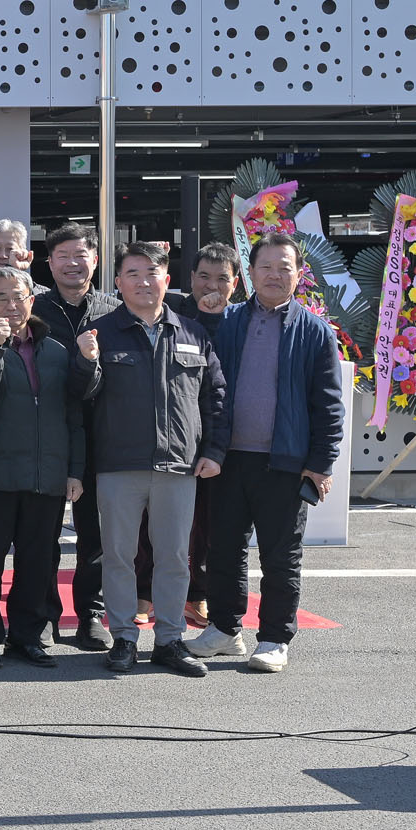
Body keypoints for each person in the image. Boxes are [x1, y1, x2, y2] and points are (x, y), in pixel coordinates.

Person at [187, 236, 345, 673]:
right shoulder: (229, 320)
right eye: (266, 267)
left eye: (284, 267)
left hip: (285, 462)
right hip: (226, 458)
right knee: (223, 550)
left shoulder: (314, 331)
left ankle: (275, 638)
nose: (275, 275)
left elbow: (329, 405)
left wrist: (320, 464)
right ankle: (224, 629)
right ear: (250, 273)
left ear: (299, 273)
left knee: (280, 556)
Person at [72, 241, 227, 677]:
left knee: (175, 557)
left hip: (180, 464)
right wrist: (85, 361)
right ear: (118, 283)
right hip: (118, 465)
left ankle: (170, 640)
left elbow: (215, 398)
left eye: (152, 273)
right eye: (133, 274)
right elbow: (78, 398)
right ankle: (123, 637)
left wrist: (214, 452)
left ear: (167, 280)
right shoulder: (99, 334)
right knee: (119, 556)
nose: (143, 282)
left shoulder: (193, 333)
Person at [0, 266, 85, 668]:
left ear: (32, 300)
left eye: (19, 297)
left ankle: (27, 637)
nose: (12, 305)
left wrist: (75, 470)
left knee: (37, 563)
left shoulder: (57, 351)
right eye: (1, 298)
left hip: (45, 475)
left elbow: (72, 415)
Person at [37, 223, 120, 649]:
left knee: (95, 534)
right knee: (41, 532)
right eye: (63, 256)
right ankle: (43, 615)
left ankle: (90, 615)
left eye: (81, 255)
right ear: (49, 263)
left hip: (100, 435)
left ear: (96, 260)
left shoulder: (114, 310)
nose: (73, 263)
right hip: (46, 434)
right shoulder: (33, 310)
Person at [162, 239, 241, 625]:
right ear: (190, 278)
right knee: (161, 522)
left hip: (226, 436)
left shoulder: (243, 319)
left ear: (236, 283)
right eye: (204, 276)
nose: (212, 286)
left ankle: (198, 594)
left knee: (211, 523)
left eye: (221, 278)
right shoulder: (170, 312)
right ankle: (146, 592)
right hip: (176, 434)